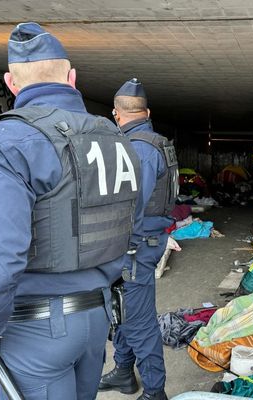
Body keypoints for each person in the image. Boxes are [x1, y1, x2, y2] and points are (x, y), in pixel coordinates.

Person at [0, 22, 141, 399]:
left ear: (11, 83)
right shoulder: (114, 138)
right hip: (97, 315)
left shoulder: (4, 141)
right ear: (72, 78)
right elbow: (128, 223)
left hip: (36, 329)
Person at [98, 78, 178, 400]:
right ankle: (123, 371)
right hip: (141, 242)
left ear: (116, 114)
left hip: (135, 245)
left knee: (140, 319)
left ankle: (155, 390)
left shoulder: (139, 149)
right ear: (147, 111)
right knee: (122, 310)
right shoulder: (155, 142)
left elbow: (133, 205)